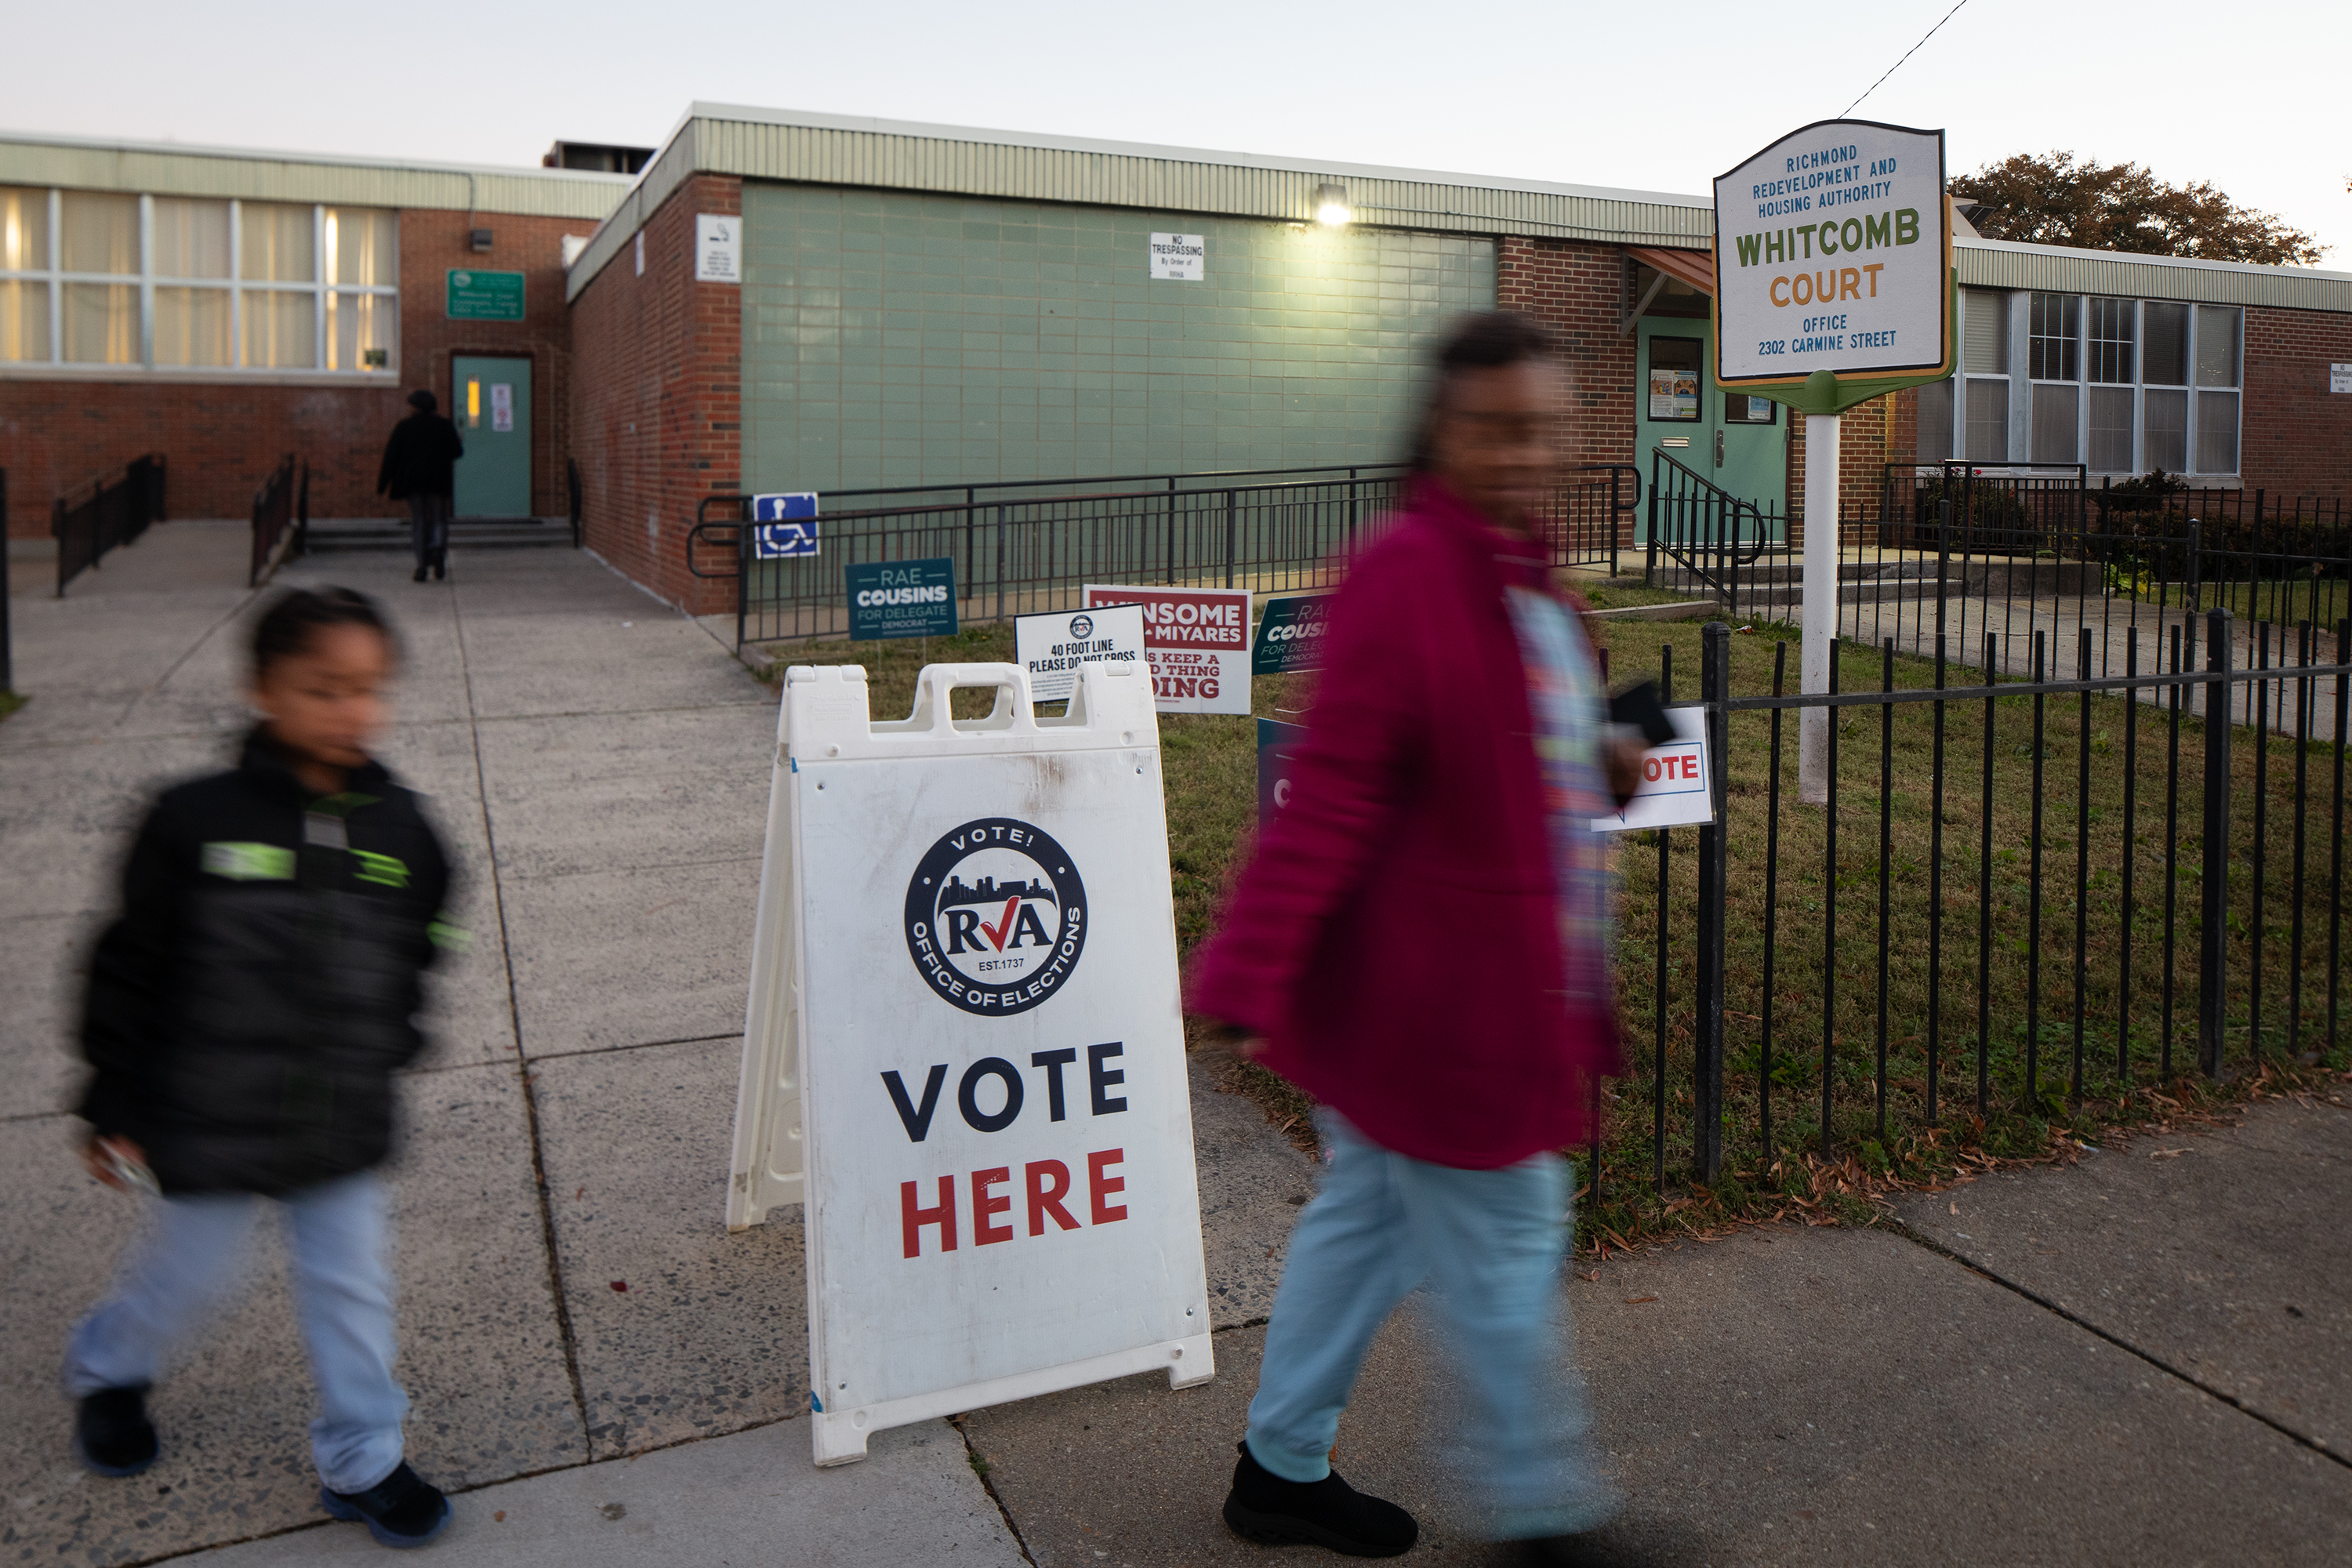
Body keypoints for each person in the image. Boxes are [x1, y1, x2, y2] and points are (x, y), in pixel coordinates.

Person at [1188, 311, 1644, 1564]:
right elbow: (1334, 789)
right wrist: (1246, 967)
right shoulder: (1407, 573)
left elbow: (1522, 766)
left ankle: (1279, 1469)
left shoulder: (1526, 580)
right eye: (1495, 428)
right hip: (1445, 1012)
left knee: (1363, 1230)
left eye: (1546, 429)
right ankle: (1549, 1519)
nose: (1524, 452)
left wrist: (1604, 760)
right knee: (1508, 1251)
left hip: (1481, 992)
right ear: (1440, 431)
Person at [66, 586, 459, 1550]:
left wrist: (400, 1033)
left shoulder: (408, 832)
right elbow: (125, 966)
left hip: (340, 1119)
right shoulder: (192, 820)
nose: (352, 710)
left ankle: (363, 1454)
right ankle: (109, 1370)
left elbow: (425, 944)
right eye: (323, 688)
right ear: (261, 690)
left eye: (370, 688)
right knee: (186, 1282)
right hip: (204, 1115)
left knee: (354, 1290)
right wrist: (111, 1098)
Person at [376, 390, 463, 583]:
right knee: (439, 518)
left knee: (419, 520)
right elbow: (457, 451)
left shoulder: (405, 427)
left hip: (412, 481)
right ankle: (438, 549)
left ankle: (422, 566)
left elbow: (391, 456)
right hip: (438, 480)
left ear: (415, 407)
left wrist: (383, 484)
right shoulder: (444, 426)